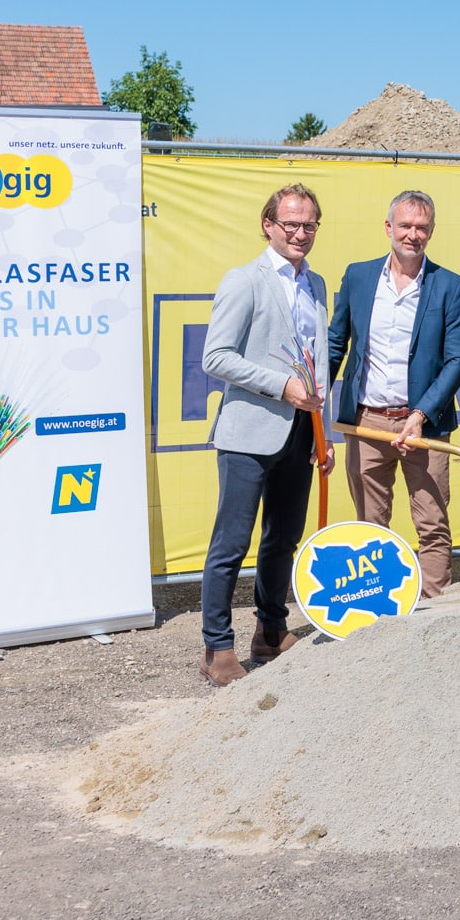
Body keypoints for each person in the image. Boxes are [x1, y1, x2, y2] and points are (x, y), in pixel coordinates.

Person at [196, 183, 334, 686]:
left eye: (309, 225)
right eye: (291, 224)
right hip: (248, 435)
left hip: (300, 433)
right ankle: (217, 647)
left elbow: (316, 366)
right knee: (231, 544)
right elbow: (216, 357)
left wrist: (321, 434)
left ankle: (271, 631)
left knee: (283, 539)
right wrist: (281, 386)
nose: (300, 233)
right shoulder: (244, 280)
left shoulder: (317, 284)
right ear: (268, 225)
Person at [326, 190, 460, 597]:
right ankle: (378, 608)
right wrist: (316, 399)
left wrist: (420, 414)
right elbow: (337, 343)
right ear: (388, 227)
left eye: (421, 227)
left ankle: (434, 612)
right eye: (405, 225)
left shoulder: (449, 285)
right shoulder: (358, 276)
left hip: (423, 426)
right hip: (366, 422)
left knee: (433, 525)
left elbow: (457, 359)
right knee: (370, 527)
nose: (413, 234)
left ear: (432, 231)